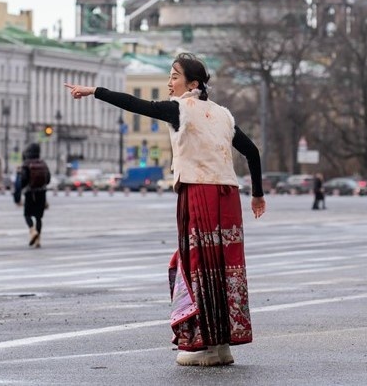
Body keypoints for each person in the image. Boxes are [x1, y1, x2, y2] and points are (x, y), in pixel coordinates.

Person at [64, 52, 266, 367]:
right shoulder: (223, 115)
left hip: (198, 193)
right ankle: (223, 346)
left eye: (174, 76)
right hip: (227, 197)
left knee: (199, 266)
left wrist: (93, 91)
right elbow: (252, 152)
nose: (169, 83)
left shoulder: (180, 110)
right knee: (225, 270)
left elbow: (133, 104)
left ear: (192, 83)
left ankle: (206, 348)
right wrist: (257, 195)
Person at [14, 143, 50, 248]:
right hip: (42, 193)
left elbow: (23, 181)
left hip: (30, 193)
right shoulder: (43, 164)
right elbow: (48, 179)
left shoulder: (26, 164)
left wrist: (18, 195)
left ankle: (32, 231)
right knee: (39, 217)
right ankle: (38, 240)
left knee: (27, 214)